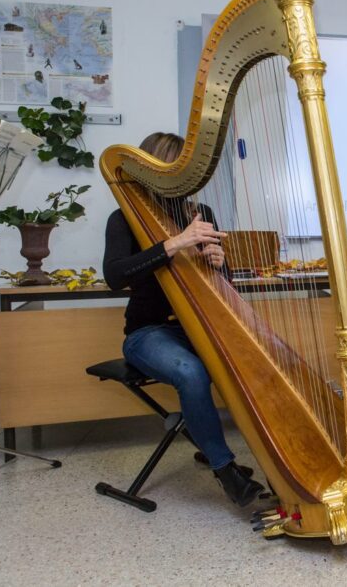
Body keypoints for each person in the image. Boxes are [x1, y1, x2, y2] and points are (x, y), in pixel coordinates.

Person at [103, 132, 265, 506]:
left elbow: (219, 286)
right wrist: (174, 243)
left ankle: (251, 450)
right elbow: (114, 276)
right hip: (147, 333)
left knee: (247, 357)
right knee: (192, 372)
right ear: (151, 172)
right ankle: (225, 470)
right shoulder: (123, 218)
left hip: (198, 326)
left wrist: (222, 266)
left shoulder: (200, 213)